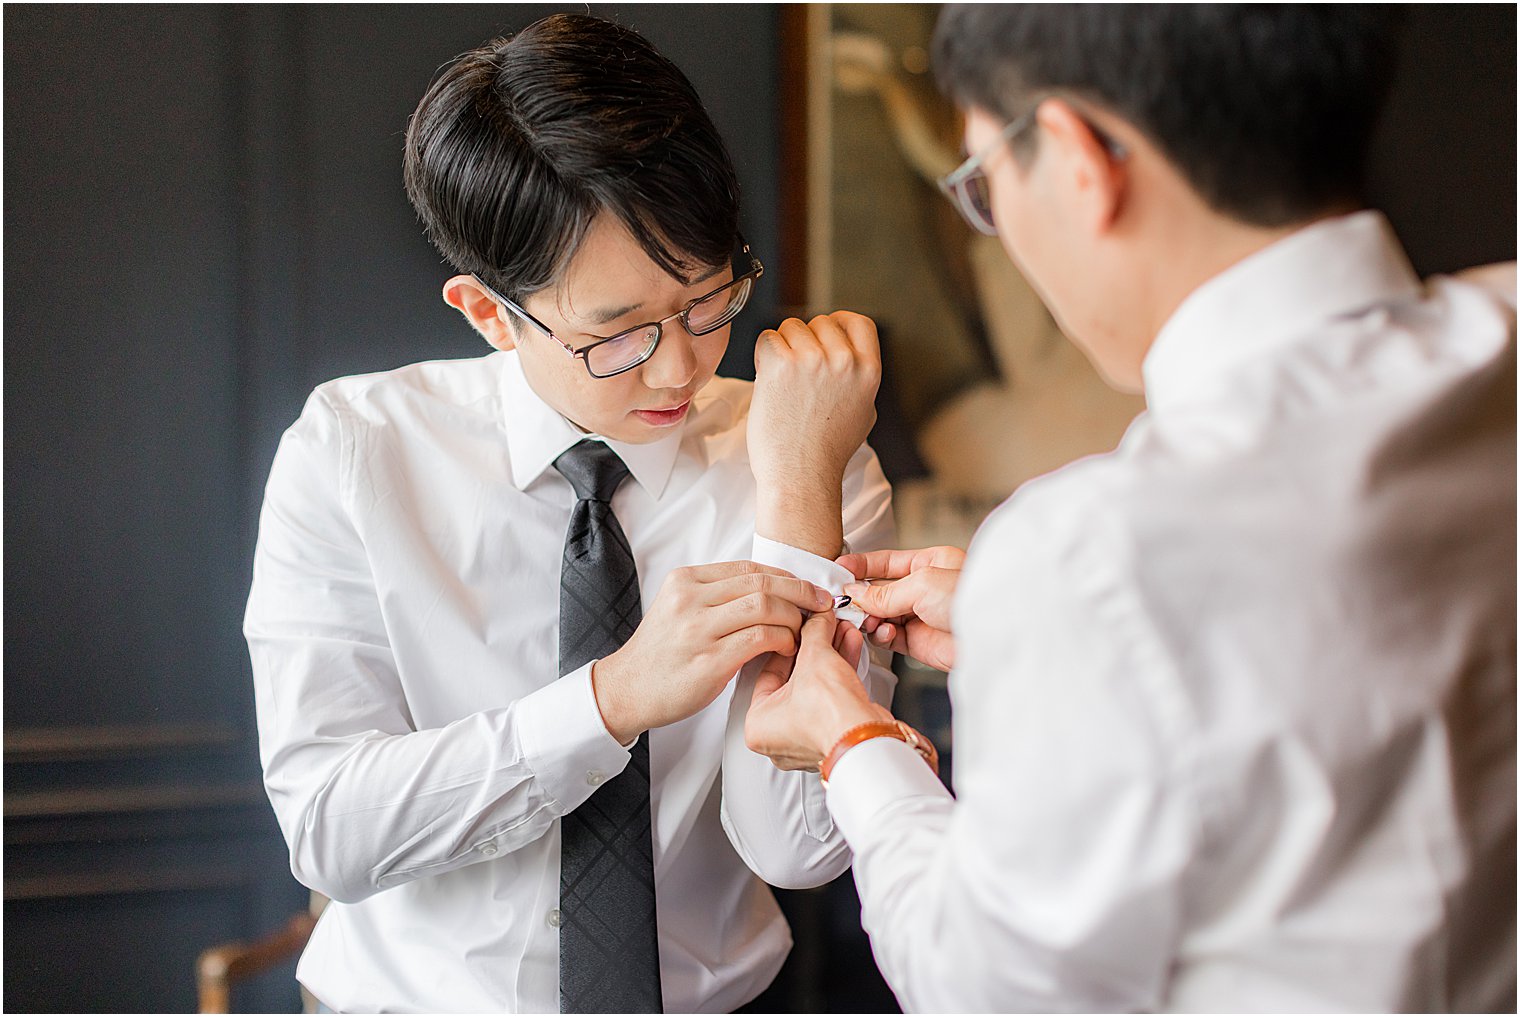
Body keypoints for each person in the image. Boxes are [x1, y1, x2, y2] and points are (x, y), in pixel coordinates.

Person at [745, 5, 1516, 1011]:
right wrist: (1057, 644)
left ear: (1073, 158)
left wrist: (855, 748)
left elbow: (984, 989)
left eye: (983, 178)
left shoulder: (1088, 552)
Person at [244, 13, 894, 1013]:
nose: (680, 366)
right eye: (617, 335)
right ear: (489, 314)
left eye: (707, 301)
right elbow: (332, 828)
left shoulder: (804, 448)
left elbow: (798, 846)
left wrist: (799, 497)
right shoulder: (353, 451)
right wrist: (613, 698)